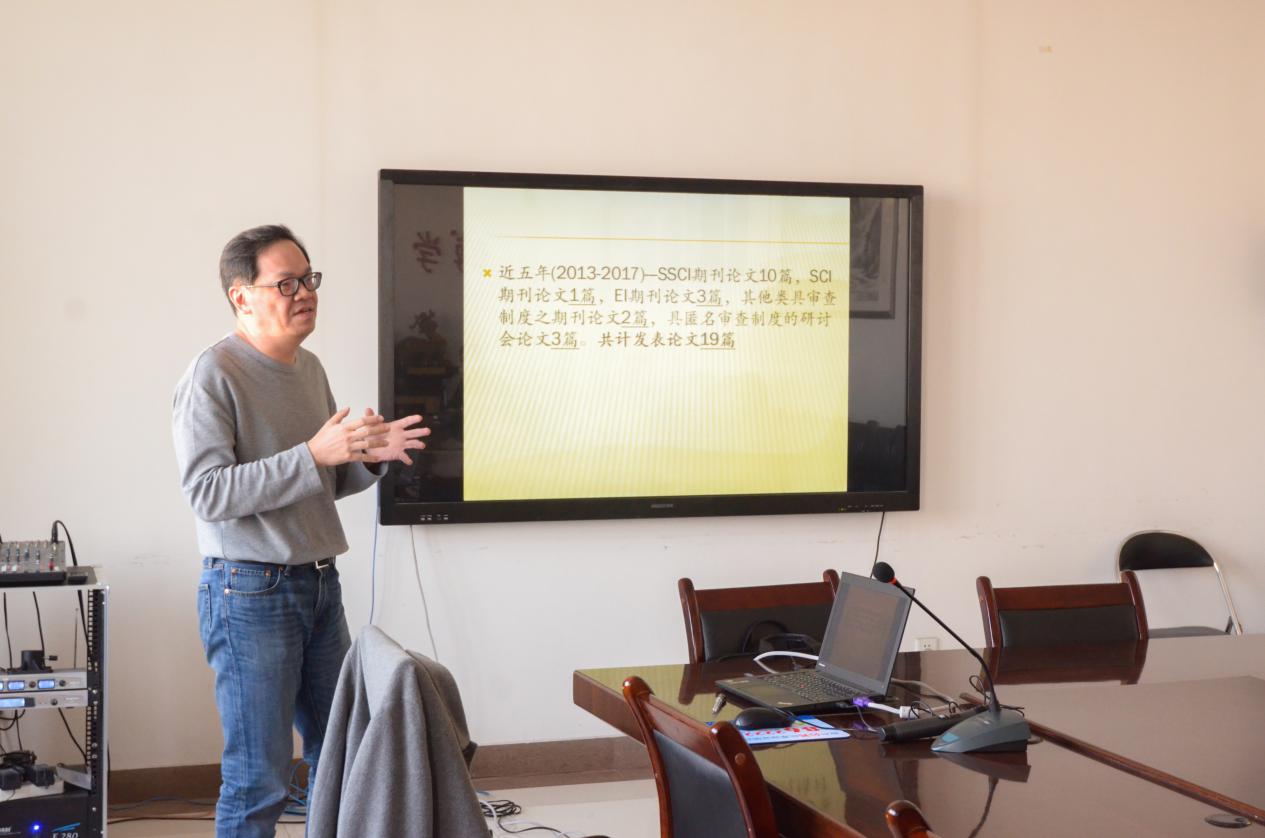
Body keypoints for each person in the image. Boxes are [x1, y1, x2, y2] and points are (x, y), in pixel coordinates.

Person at [172, 224, 429, 837]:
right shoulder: (212, 374)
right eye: (285, 283)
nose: (305, 293)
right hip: (248, 592)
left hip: (318, 584)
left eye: (308, 279)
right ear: (242, 296)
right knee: (258, 778)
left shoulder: (308, 368)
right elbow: (209, 493)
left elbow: (320, 482)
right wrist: (314, 454)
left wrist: (368, 459)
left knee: (341, 756)